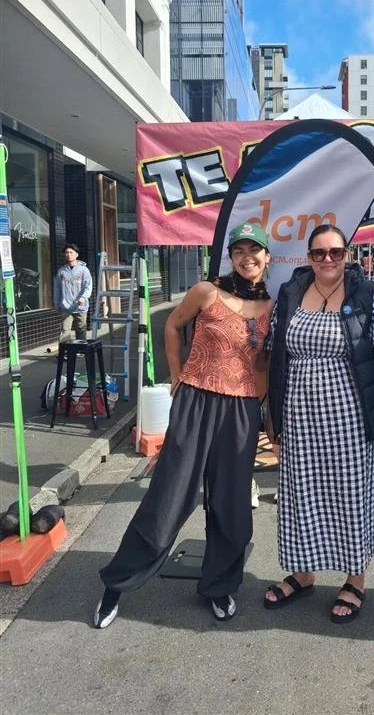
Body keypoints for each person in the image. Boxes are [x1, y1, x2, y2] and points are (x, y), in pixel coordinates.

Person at [93, 222, 273, 627]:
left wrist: (259, 407)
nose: (247, 257)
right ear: (231, 257)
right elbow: (174, 325)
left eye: (255, 250)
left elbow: (263, 362)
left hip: (241, 411)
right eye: (239, 250)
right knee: (169, 497)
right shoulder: (207, 291)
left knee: (232, 507)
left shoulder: (271, 307)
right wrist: (176, 374)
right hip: (196, 401)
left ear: (267, 256)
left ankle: (219, 586)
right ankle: (117, 584)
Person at [264, 224, 374, 623]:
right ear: (309, 257)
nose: (328, 259)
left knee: (350, 494)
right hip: (299, 414)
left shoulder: (366, 294)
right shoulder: (291, 292)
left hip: (349, 415)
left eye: (335, 252)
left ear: (347, 254)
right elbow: (274, 352)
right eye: (319, 253)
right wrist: (272, 418)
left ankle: (355, 579)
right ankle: (303, 572)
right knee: (301, 492)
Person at [53, 243, 93, 341]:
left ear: (76, 255)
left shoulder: (84, 270)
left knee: (81, 330)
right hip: (65, 307)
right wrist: (57, 304)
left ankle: (81, 348)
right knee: (64, 331)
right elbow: (57, 288)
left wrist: (83, 298)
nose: (68, 254)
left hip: (80, 307)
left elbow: (88, 286)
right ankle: (64, 350)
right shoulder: (61, 271)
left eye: (71, 252)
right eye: (66, 252)